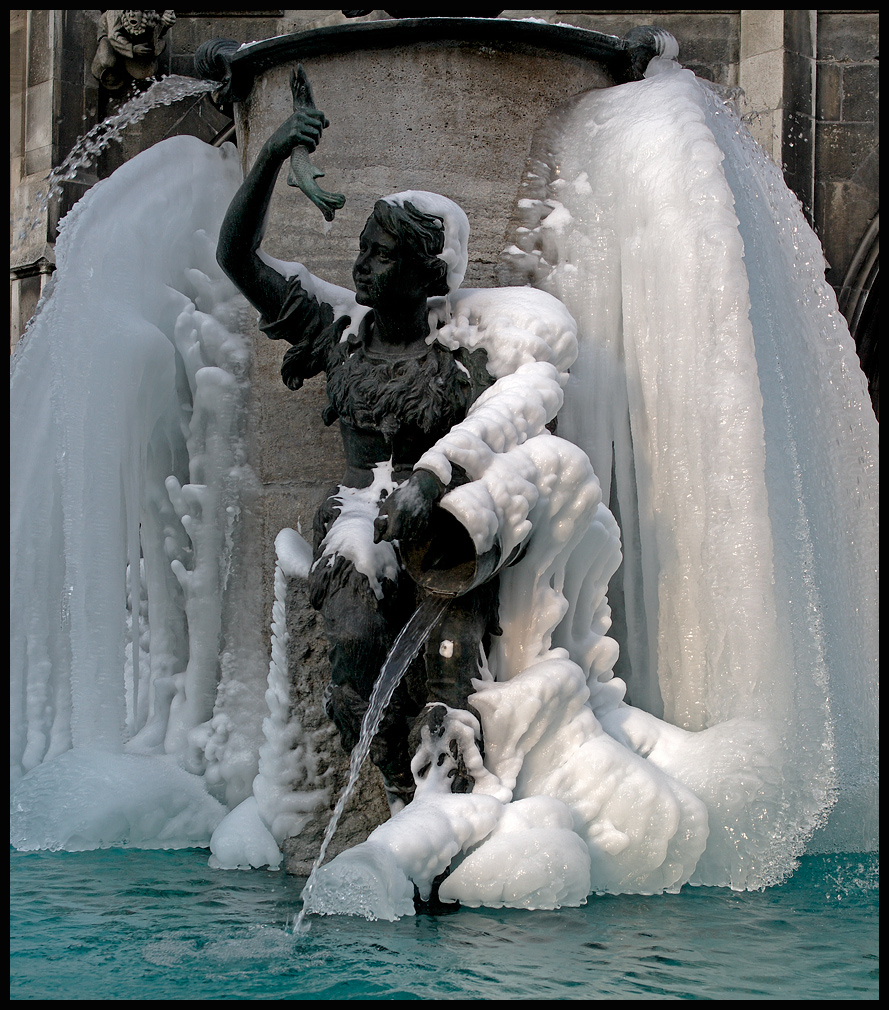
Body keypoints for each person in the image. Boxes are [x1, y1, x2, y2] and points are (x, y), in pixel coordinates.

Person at [217, 103, 500, 811]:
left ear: (426, 271)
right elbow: (236, 259)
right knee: (351, 644)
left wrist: (437, 486)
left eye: (380, 254)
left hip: (441, 531)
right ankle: (391, 791)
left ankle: (448, 802)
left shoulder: (462, 356)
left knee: (449, 670)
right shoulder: (337, 330)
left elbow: (501, 436)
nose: (360, 265)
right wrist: (273, 155)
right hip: (353, 520)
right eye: (364, 249)